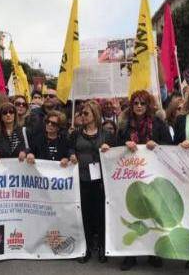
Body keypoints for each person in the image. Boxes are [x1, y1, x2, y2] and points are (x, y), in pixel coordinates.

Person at [112, 90, 171, 270]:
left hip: (152, 177)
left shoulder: (159, 124)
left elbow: (169, 146)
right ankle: (130, 254)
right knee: (130, 214)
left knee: (153, 214)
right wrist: (124, 145)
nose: (139, 106)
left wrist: (157, 146)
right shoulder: (123, 125)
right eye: (136, 103)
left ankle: (153, 253)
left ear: (148, 106)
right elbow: (115, 150)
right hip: (130, 178)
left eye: (142, 103)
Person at [72, 100, 112, 264]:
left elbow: (115, 153)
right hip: (82, 179)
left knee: (100, 215)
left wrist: (107, 149)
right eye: (81, 113)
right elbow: (69, 148)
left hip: (101, 181)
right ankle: (86, 248)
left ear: (95, 114)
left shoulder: (106, 135)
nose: (83, 116)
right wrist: (72, 154)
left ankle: (103, 247)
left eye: (86, 113)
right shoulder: (76, 134)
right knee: (85, 215)